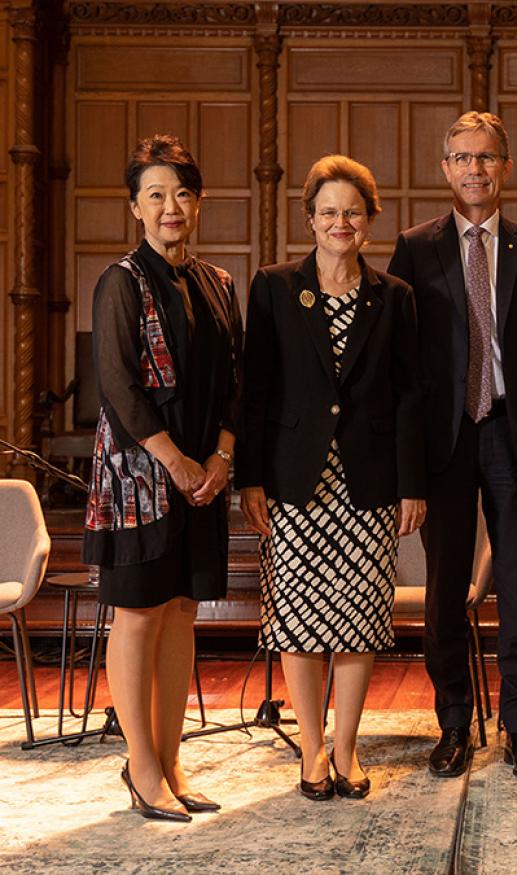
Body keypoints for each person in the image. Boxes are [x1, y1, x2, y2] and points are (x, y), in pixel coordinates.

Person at [388, 111, 517, 781]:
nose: (474, 168)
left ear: (506, 167)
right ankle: (454, 725)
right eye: (462, 157)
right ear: (445, 168)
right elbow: (402, 369)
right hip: (444, 441)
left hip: (513, 437)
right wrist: (407, 463)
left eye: (487, 157)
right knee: (443, 595)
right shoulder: (415, 247)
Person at [236, 155, 426, 801]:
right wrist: (250, 479)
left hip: (368, 481)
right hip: (295, 480)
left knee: (357, 617)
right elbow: (255, 388)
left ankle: (347, 748)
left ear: (369, 219)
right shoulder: (273, 287)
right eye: (327, 211)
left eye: (351, 210)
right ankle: (311, 750)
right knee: (298, 621)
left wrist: (412, 483)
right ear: (310, 220)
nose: (339, 222)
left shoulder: (394, 296)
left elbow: (408, 394)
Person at [83, 135, 242, 822]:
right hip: (140, 477)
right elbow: (118, 383)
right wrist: (175, 460)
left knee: (182, 610)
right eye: (156, 195)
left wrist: (221, 459)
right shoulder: (121, 280)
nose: (171, 206)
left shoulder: (218, 282)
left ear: (197, 203)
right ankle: (140, 763)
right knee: (140, 611)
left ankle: (172, 759)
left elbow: (239, 378)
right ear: (136, 208)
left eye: (181, 193)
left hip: (205, 474)